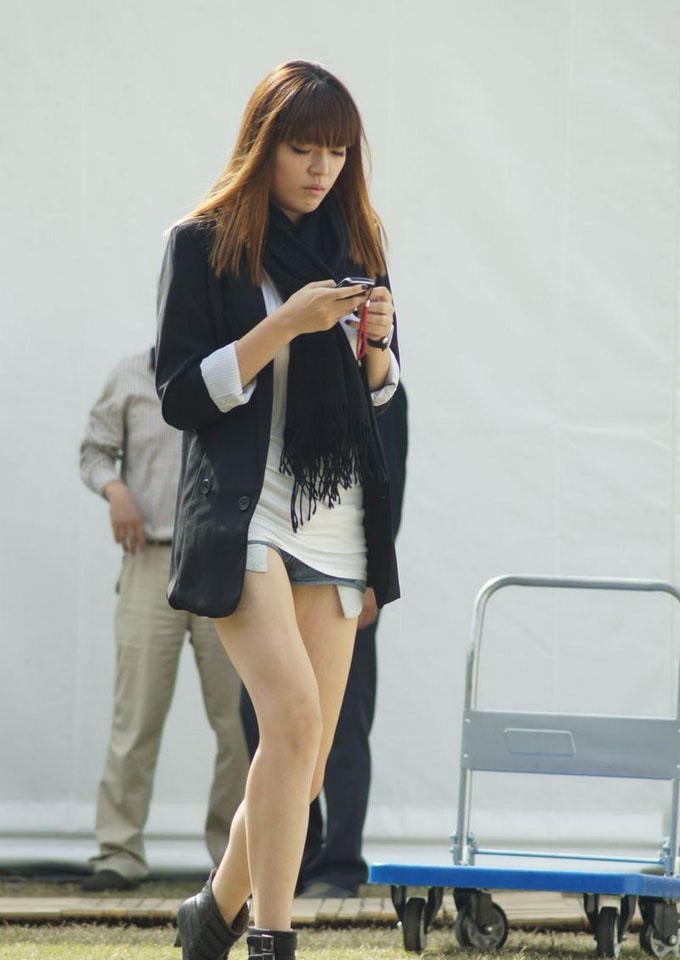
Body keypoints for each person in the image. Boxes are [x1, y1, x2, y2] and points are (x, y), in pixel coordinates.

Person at [155, 60, 401, 960]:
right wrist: (283, 326)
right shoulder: (202, 244)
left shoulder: (356, 241)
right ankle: (271, 937)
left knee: (305, 755)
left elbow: (384, 399)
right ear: (264, 147)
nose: (321, 169)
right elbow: (181, 394)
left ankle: (210, 913)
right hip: (245, 515)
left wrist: (378, 351)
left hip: (335, 521)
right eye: (303, 148)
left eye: (337, 151)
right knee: (292, 724)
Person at [79, 347, 249, 891]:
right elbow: (94, 451)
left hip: (225, 564)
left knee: (239, 724)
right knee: (136, 716)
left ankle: (232, 858)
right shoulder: (130, 375)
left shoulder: (242, 368)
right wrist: (116, 490)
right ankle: (119, 850)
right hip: (150, 559)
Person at [239, 381, 408, 899]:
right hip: (270, 565)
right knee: (264, 719)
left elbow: (386, 481)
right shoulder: (272, 369)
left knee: (342, 726)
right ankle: (295, 854)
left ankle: (340, 861)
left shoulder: (379, 382)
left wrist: (375, 577)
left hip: (340, 572)